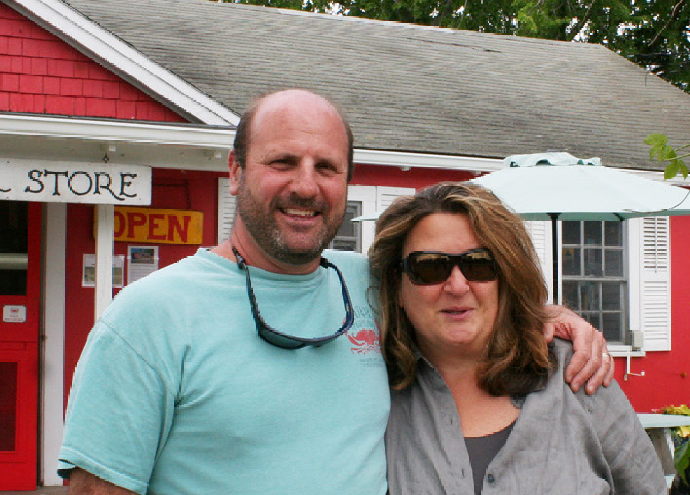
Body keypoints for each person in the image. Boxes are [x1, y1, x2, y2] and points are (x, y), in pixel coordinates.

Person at [58, 89, 613, 495]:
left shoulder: (374, 284)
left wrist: (557, 319)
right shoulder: (147, 319)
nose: (306, 185)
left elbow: (463, 294)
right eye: (282, 162)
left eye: (326, 167)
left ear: (346, 182)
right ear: (235, 170)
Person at [371, 182, 664, 495]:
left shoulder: (577, 376)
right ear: (398, 286)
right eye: (429, 267)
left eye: (479, 264)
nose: (457, 286)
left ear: (506, 276)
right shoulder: (370, 393)